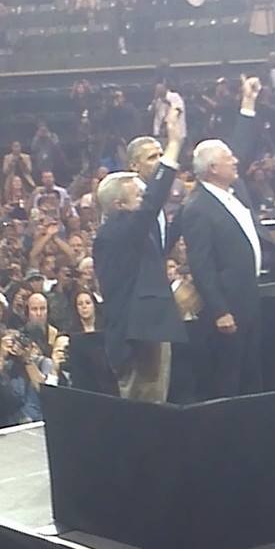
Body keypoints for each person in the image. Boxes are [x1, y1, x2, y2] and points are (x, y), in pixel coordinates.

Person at [182, 77, 275, 399]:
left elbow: (241, 145)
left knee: (253, 369)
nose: (236, 161)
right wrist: (220, 309)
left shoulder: (232, 188)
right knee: (230, 375)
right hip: (227, 305)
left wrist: (248, 103)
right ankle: (229, 436)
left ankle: (255, 432)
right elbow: (201, 265)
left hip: (249, 295)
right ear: (212, 168)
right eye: (228, 159)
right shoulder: (197, 208)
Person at [93, 106, 186, 402]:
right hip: (136, 337)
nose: (145, 199)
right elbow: (150, 208)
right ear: (120, 205)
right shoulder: (117, 231)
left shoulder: (126, 232)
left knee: (154, 404)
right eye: (138, 196)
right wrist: (174, 145)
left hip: (145, 331)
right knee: (144, 411)